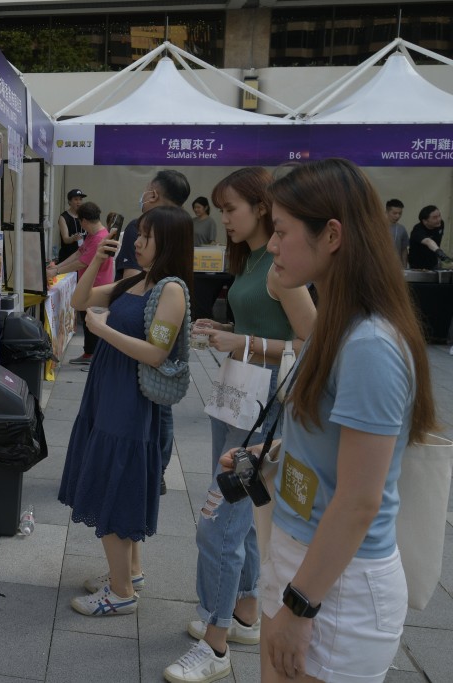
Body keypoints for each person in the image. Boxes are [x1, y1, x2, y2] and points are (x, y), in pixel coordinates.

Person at [229, 158, 436, 683]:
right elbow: (330, 445)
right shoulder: (335, 326)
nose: (271, 245)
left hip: (336, 585)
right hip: (299, 558)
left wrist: (301, 607)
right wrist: (270, 456)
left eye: (281, 231)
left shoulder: (370, 344)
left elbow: (361, 500)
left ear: (333, 235)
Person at [164, 168, 316, 683]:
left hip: (262, 407)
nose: (224, 218)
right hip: (238, 399)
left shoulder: (276, 266)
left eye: (231, 209)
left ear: (261, 205)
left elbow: (314, 345)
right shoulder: (254, 259)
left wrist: (245, 344)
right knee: (240, 514)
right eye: (222, 210)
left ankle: (216, 643)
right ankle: (244, 614)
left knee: (217, 520)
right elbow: (266, 328)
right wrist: (231, 331)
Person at [60, 205, 193, 617]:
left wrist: (103, 331)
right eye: (138, 234)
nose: (137, 241)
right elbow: (81, 300)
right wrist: (98, 259)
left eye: (147, 237)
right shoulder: (135, 279)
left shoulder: (170, 289)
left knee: (113, 481)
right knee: (111, 474)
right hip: (109, 389)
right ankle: (130, 572)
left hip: (129, 398)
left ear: (167, 243)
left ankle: (120, 593)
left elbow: (157, 353)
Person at [115, 169, 191, 494]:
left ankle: (149, 468)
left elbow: (131, 282)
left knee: (151, 396)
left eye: (147, 189)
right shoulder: (182, 225)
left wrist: (108, 327)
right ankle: (156, 468)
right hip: (169, 323)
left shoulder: (145, 225)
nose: (138, 242)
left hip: (145, 328)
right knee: (162, 398)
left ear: (153, 194)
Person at [46, 202, 116, 365]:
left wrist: (56, 271)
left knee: (93, 322)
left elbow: (82, 263)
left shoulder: (100, 237)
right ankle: (89, 354)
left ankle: (94, 356)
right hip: (91, 285)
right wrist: (58, 266)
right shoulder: (93, 235)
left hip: (97, 286)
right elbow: (79, 252)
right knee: (87, 320)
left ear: (83, 220)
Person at [407, 204, 450, 269]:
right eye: (435, 217)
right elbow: (428, 241)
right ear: (425, 221)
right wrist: (440, 253)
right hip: (417, 266)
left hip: (433, 263)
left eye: (439, 215)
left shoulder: (440, 224)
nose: (439, 219)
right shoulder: (417, 230)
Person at [57, 189, 87, 262]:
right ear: (69, 201)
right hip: (68, 256)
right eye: (76, 199)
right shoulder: (64, 217)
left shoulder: (85, 216)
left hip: (82, 255)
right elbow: (66, 239)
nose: (79, 202)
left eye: (80, 199)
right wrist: (73, 238)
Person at [386, 199, 408, 268]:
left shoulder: (402, 229)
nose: (397, 216)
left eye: (400, 213)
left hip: (396, 267)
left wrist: (404, 267)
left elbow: (404, 250)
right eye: (394, 213)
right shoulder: (376, 227)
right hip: (379, 266)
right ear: (387, 212)